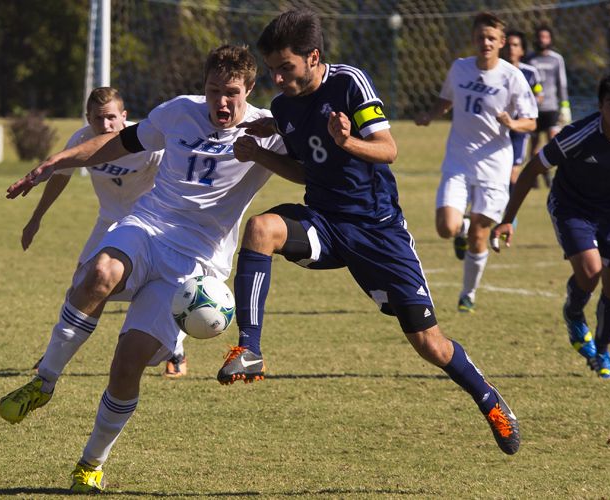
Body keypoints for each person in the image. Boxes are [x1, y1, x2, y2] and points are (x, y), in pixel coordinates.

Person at [219, 9, 521, 456]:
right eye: (272, 71)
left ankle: (490, 400)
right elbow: (306, 172)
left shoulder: (349, 83)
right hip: (324, 221)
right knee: (262, 229)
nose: (278, 80)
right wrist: (259, 151)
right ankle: (249, 349)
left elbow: (388, 149)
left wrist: (347, 142)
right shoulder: (283, 106)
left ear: (313, 56)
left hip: (378, 234)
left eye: (286, 68)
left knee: (429, 344)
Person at [0, 45, 296, 492]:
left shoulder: (269, 130)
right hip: (148, 224)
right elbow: (117, 143)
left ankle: (90, 463)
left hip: (197, 262)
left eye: (232, 93)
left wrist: (261, 150)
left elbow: (311, 171)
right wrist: (53, 163)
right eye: (214, 90)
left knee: (128, 363)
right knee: (97, 273)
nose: (222, 102)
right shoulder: (178, 112)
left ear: (250, 89)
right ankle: (45, 381)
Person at [492, 71, 610, 379]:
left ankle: (601, 351)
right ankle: (574, 313)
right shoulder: (580, 134)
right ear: (600, 106)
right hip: (571, 205)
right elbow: (533, 169)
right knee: (590, 272)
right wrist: (507, 219)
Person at [21, 87, 189, 379]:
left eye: (112, 117)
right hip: (108, 222)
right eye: (99, 119)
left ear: (124, 116)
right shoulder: (83, 140)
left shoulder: (149, 144)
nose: (106, 125)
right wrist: (36, 218)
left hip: (148, 225)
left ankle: (176, 351)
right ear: (88, 118)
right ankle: (55, 353)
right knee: (79, 286)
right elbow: (60, 177)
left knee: (164, 289)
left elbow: (174, 185)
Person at [415, 12, 537, 313]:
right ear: (474, 39)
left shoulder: (512, 77)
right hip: (459, 158)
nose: (486, 42)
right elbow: (447, 98)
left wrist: (512, 122)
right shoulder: (460, 68)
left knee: (480, 236)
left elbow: (532, 122)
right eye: (481, 37)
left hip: (494, 165)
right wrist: (431, 115)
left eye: (491, 38)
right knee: (446, 227)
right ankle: (462, 227)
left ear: (501, 42)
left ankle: (468, 294)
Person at [527, 25, 570, 187]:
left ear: (550, 39)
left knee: (554, 142)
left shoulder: (556, 59)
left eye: (545, 37)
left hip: (551, 108)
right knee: (534, 145)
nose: (542, 40)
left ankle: (554, 176)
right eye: (540, 37)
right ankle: (535, 177)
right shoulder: (529, 59)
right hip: (533, 110)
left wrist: (565, 106)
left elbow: (562, 84)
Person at [502, 30, 543, 195]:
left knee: (513, 171)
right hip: (499, 127)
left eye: (516, 45)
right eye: (509, 45)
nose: (511, 49)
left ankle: (509, 213)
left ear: (522, 50)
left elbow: (539, 93)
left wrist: (530, 102)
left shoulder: (530, 73)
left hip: (519, 128)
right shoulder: (497, 70)